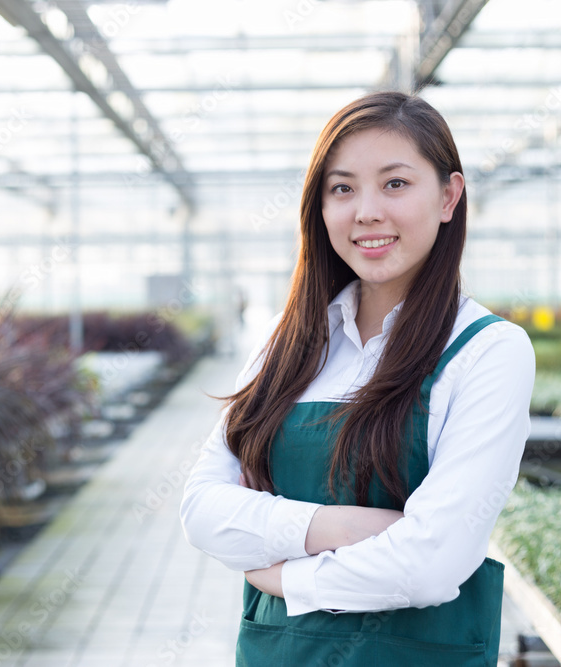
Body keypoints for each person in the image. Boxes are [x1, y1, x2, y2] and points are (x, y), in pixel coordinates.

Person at [179, 91, 535, 666]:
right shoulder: (285, 342)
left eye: (395, 183)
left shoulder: (488, 351)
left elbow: (430, 565)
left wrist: (284, 577)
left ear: (449, 196)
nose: (366, 210)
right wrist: (341, 525)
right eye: (342, 188)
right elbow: (202, 509)